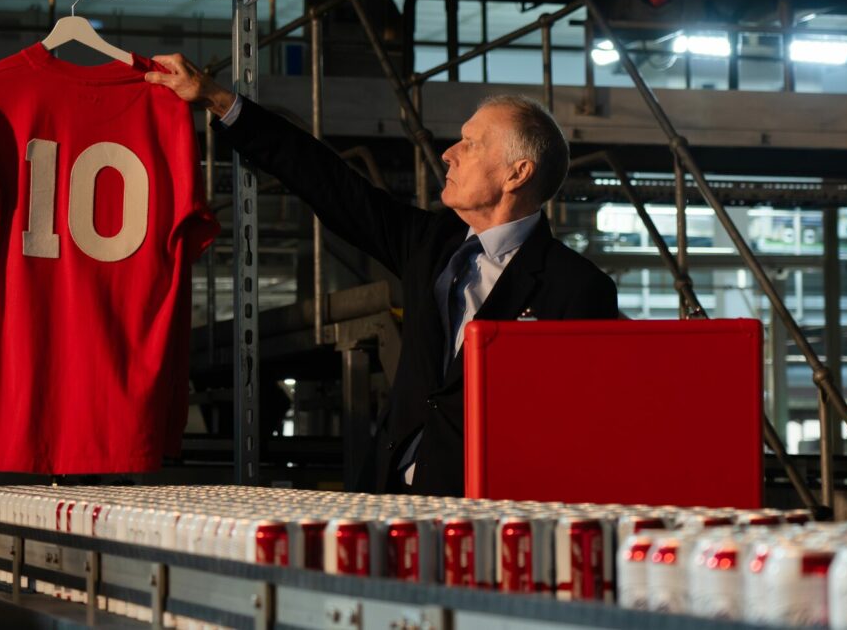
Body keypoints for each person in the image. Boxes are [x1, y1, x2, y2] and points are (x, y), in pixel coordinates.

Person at [145, 54, 619, 496]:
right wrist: (217, 100)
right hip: (390, 494)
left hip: (489, 508)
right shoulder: (432, 244)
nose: (450, 153)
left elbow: (582, 426)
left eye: (471, 144)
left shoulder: (577, 288)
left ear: (517, 173)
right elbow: (330, 183)